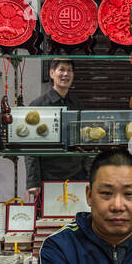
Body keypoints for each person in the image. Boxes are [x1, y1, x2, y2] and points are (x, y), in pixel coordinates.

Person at [25, 59, 88, 203]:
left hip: (77, 174)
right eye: (62, 70)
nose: (66, 74)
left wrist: (86, 171)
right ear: (52, 73)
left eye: (70, 70)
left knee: (77, 217)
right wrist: (33, 182)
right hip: (48, 176)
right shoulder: (38, 105)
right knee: (49, 220)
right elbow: (30, 148)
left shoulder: (77, 104)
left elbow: (84, 138)